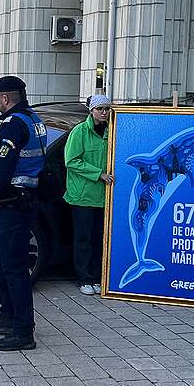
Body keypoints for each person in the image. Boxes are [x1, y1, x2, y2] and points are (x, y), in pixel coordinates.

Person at [0, 76, 47, 352]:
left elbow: (2, 166)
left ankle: (23, 331)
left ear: (5, 98)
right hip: (23, 200)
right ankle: (8, 315)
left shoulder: (13, 125)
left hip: (13, 203)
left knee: (14, 268)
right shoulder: (33, 119)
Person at [63, 94, 115, 295]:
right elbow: (71, 160)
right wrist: (98, 174)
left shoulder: (112, 130)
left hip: (103, 196)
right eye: (100, 109)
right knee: (83, 239)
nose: (104, 112)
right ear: (91, 110)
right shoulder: (80, 131)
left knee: (98, 239)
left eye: (107, 109)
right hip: (83, 195)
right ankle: (84, 278)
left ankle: (96, 277)